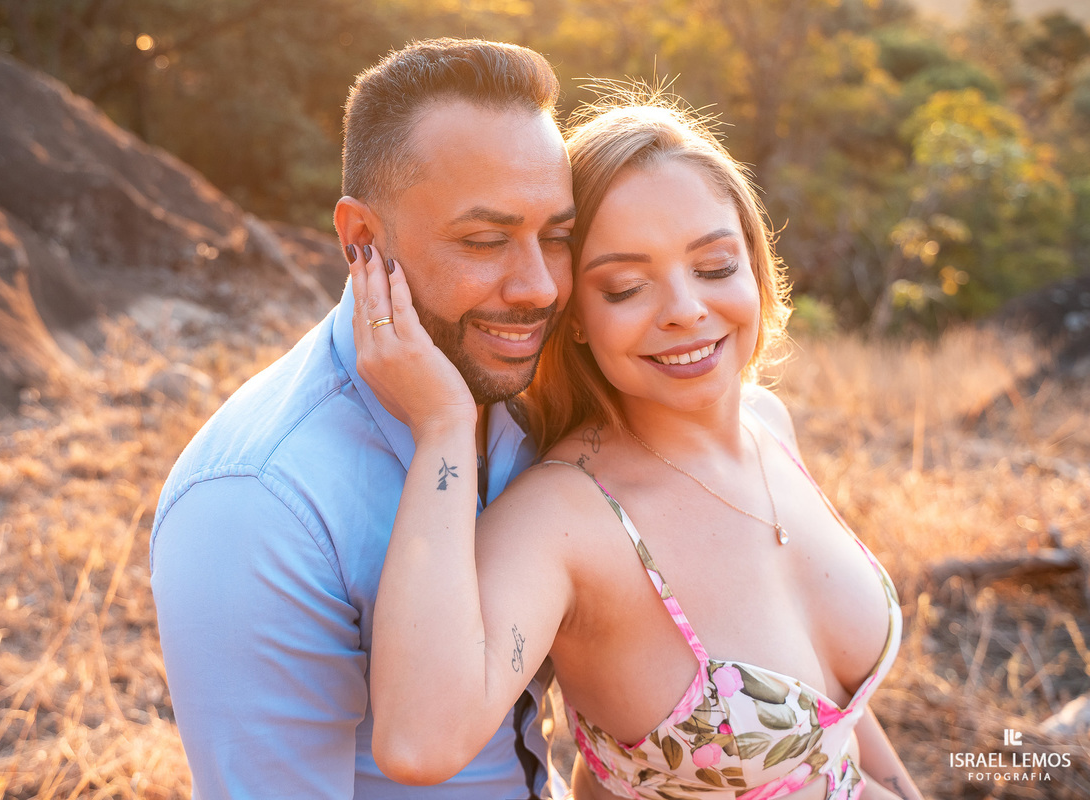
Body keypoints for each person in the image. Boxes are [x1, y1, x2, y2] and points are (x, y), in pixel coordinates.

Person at [351, 97, 926, 800]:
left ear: (755, 264)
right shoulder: (567, 518)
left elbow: (841, 717)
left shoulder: (768, 424)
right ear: (579, 318)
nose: (684, 308)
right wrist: (444, 424)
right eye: (625, 287)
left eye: (715, 266)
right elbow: (417, 743)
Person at [149, 38, 577, 799]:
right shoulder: (256, 502)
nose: (539, 286)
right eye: (485, 241)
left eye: (557, 236)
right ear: (362, 240)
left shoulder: (535, 395)